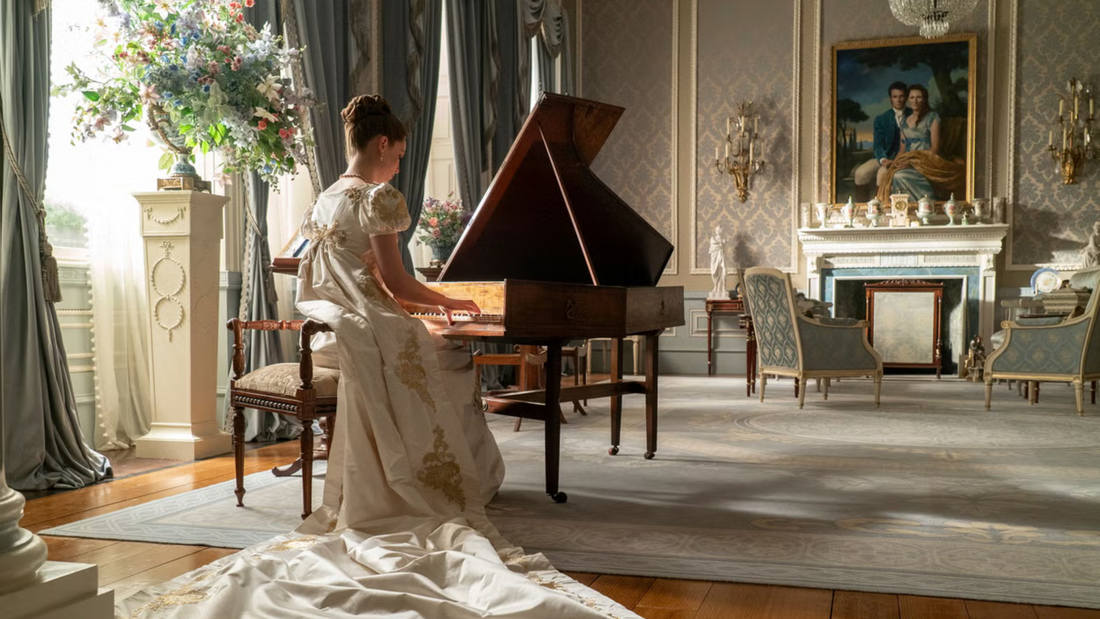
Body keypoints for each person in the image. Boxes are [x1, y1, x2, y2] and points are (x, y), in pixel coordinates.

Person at [116, 95, 638, 618]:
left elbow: (339, 275)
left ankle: (431, 469)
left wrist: (409, 308)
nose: (398, 165)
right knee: (454, 353)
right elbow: (396, 283)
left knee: (434, 342)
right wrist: (450, 302)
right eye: (398, 154)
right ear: (382, 144)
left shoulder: (324, 199)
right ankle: (455, 479)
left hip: (329, 329)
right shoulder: (378, 198)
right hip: (365, 325)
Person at [876, 83, 966, 203]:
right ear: (908, 100)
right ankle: (903, 208)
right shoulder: (904, 121)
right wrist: (895, 163)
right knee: (893, 174)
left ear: (924, 99)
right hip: (909, 161)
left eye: (919, 97)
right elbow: (902, 150)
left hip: (927, 162)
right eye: (912, 97)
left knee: (900, 176)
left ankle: (925, 205)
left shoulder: (932, 118)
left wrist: (914, 163)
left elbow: (935, 148)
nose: (915, 101)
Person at [853, 81, 910, 192]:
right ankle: (862, 207)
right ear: (890, 98)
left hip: (904, 158)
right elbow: (878, 145)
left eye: (901, 96)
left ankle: (879, 206)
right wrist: (883, 160)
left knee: (882, 174)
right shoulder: (881, 119)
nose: (898, 100)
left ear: (906, 97)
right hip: (884, 157)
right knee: (860, 173)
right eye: (895, 97)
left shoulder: (913, 115)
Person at [708, 224, 728, 300]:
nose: (718, 232)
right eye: (717, 230)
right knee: (714, 272)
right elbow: (714, 244)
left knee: (723, 270)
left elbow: (722, 244)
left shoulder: (723, 240)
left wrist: (721, 243)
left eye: (719, 230)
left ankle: (723, 288)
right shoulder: (713, 239)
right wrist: (721, 244)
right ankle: (716, 287)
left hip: (721, 254)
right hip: (715, 256)